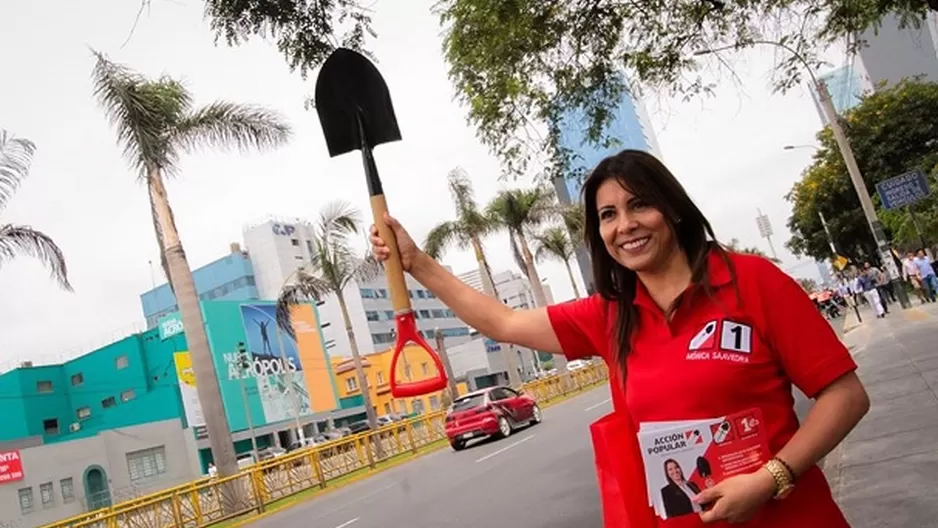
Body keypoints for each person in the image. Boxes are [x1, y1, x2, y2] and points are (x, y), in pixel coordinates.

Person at [370, 149, 870, 526]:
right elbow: (503, 323)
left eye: (639, 206)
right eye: (608, 215)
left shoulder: (754, 282)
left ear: (671, 209)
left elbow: (845, 396)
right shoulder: (609, 316)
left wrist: (770, 479)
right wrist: (417, 263)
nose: (625, 226)